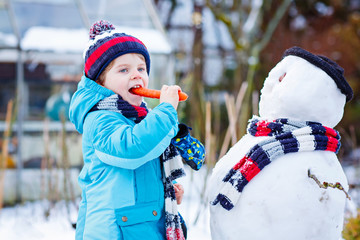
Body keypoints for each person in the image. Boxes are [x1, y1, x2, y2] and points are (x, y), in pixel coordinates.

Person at [69, 20, 205, 240]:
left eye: (141, 68)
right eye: (124, 70)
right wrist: (166, 110)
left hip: (143, 227)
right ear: (101, 82)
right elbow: (133, 149)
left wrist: (164, 192)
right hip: (113, 231)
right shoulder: (99, 119)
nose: (136, 75)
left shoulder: (142, 119)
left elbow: (143, 169)